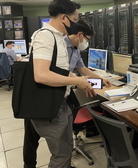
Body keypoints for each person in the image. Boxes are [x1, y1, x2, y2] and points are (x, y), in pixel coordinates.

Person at [23, 18, 111, 168]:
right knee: (32, 137)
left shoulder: (76, 49)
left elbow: (81, 70)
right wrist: (78, 81)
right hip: (42, 96)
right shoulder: (57, 43)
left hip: (61, 94)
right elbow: (46, 72)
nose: (86, 43)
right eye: (87, 39)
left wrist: (100, 78)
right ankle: (29, 165)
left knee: (62, 145)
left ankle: (64, 163)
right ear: (80, 35)